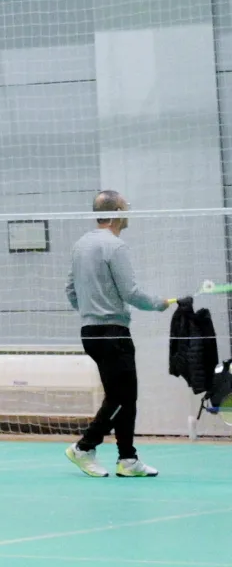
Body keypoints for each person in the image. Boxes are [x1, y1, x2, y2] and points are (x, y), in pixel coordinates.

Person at [64, 191, 183, 478]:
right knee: (121, 398)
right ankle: (84, 447)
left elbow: (70, 290)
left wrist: (90, 312)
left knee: (124, 397)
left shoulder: (81, 245)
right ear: (117, 212)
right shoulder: (115, 246)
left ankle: (128, 459)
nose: (129, 211)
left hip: (90, 331)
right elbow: (130, 292)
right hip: (112, 332)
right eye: (126, 207)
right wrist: (158, 304)